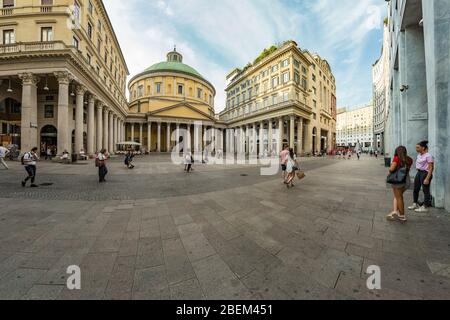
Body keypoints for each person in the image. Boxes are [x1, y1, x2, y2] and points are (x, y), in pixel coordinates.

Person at [386, 146, 413, 223]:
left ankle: (402, 215)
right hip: (406, 179)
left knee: (399, 198)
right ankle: (396, 211)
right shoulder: (409, 159)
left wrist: (391, 167)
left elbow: (391, 169)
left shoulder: (397, 158)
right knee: (398, 197)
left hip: (398, 180)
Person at [409, 140, 434, 213]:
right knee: (415, 189)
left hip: (425, 173)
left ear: (423, 148)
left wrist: (427, 178)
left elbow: (431, 168)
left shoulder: (428, 156)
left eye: (418, 147)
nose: (416, 149)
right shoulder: (419, 155)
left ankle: (425, 207)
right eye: (416, 147)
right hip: (419, 173)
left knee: (425, 190)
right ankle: (415, 203)